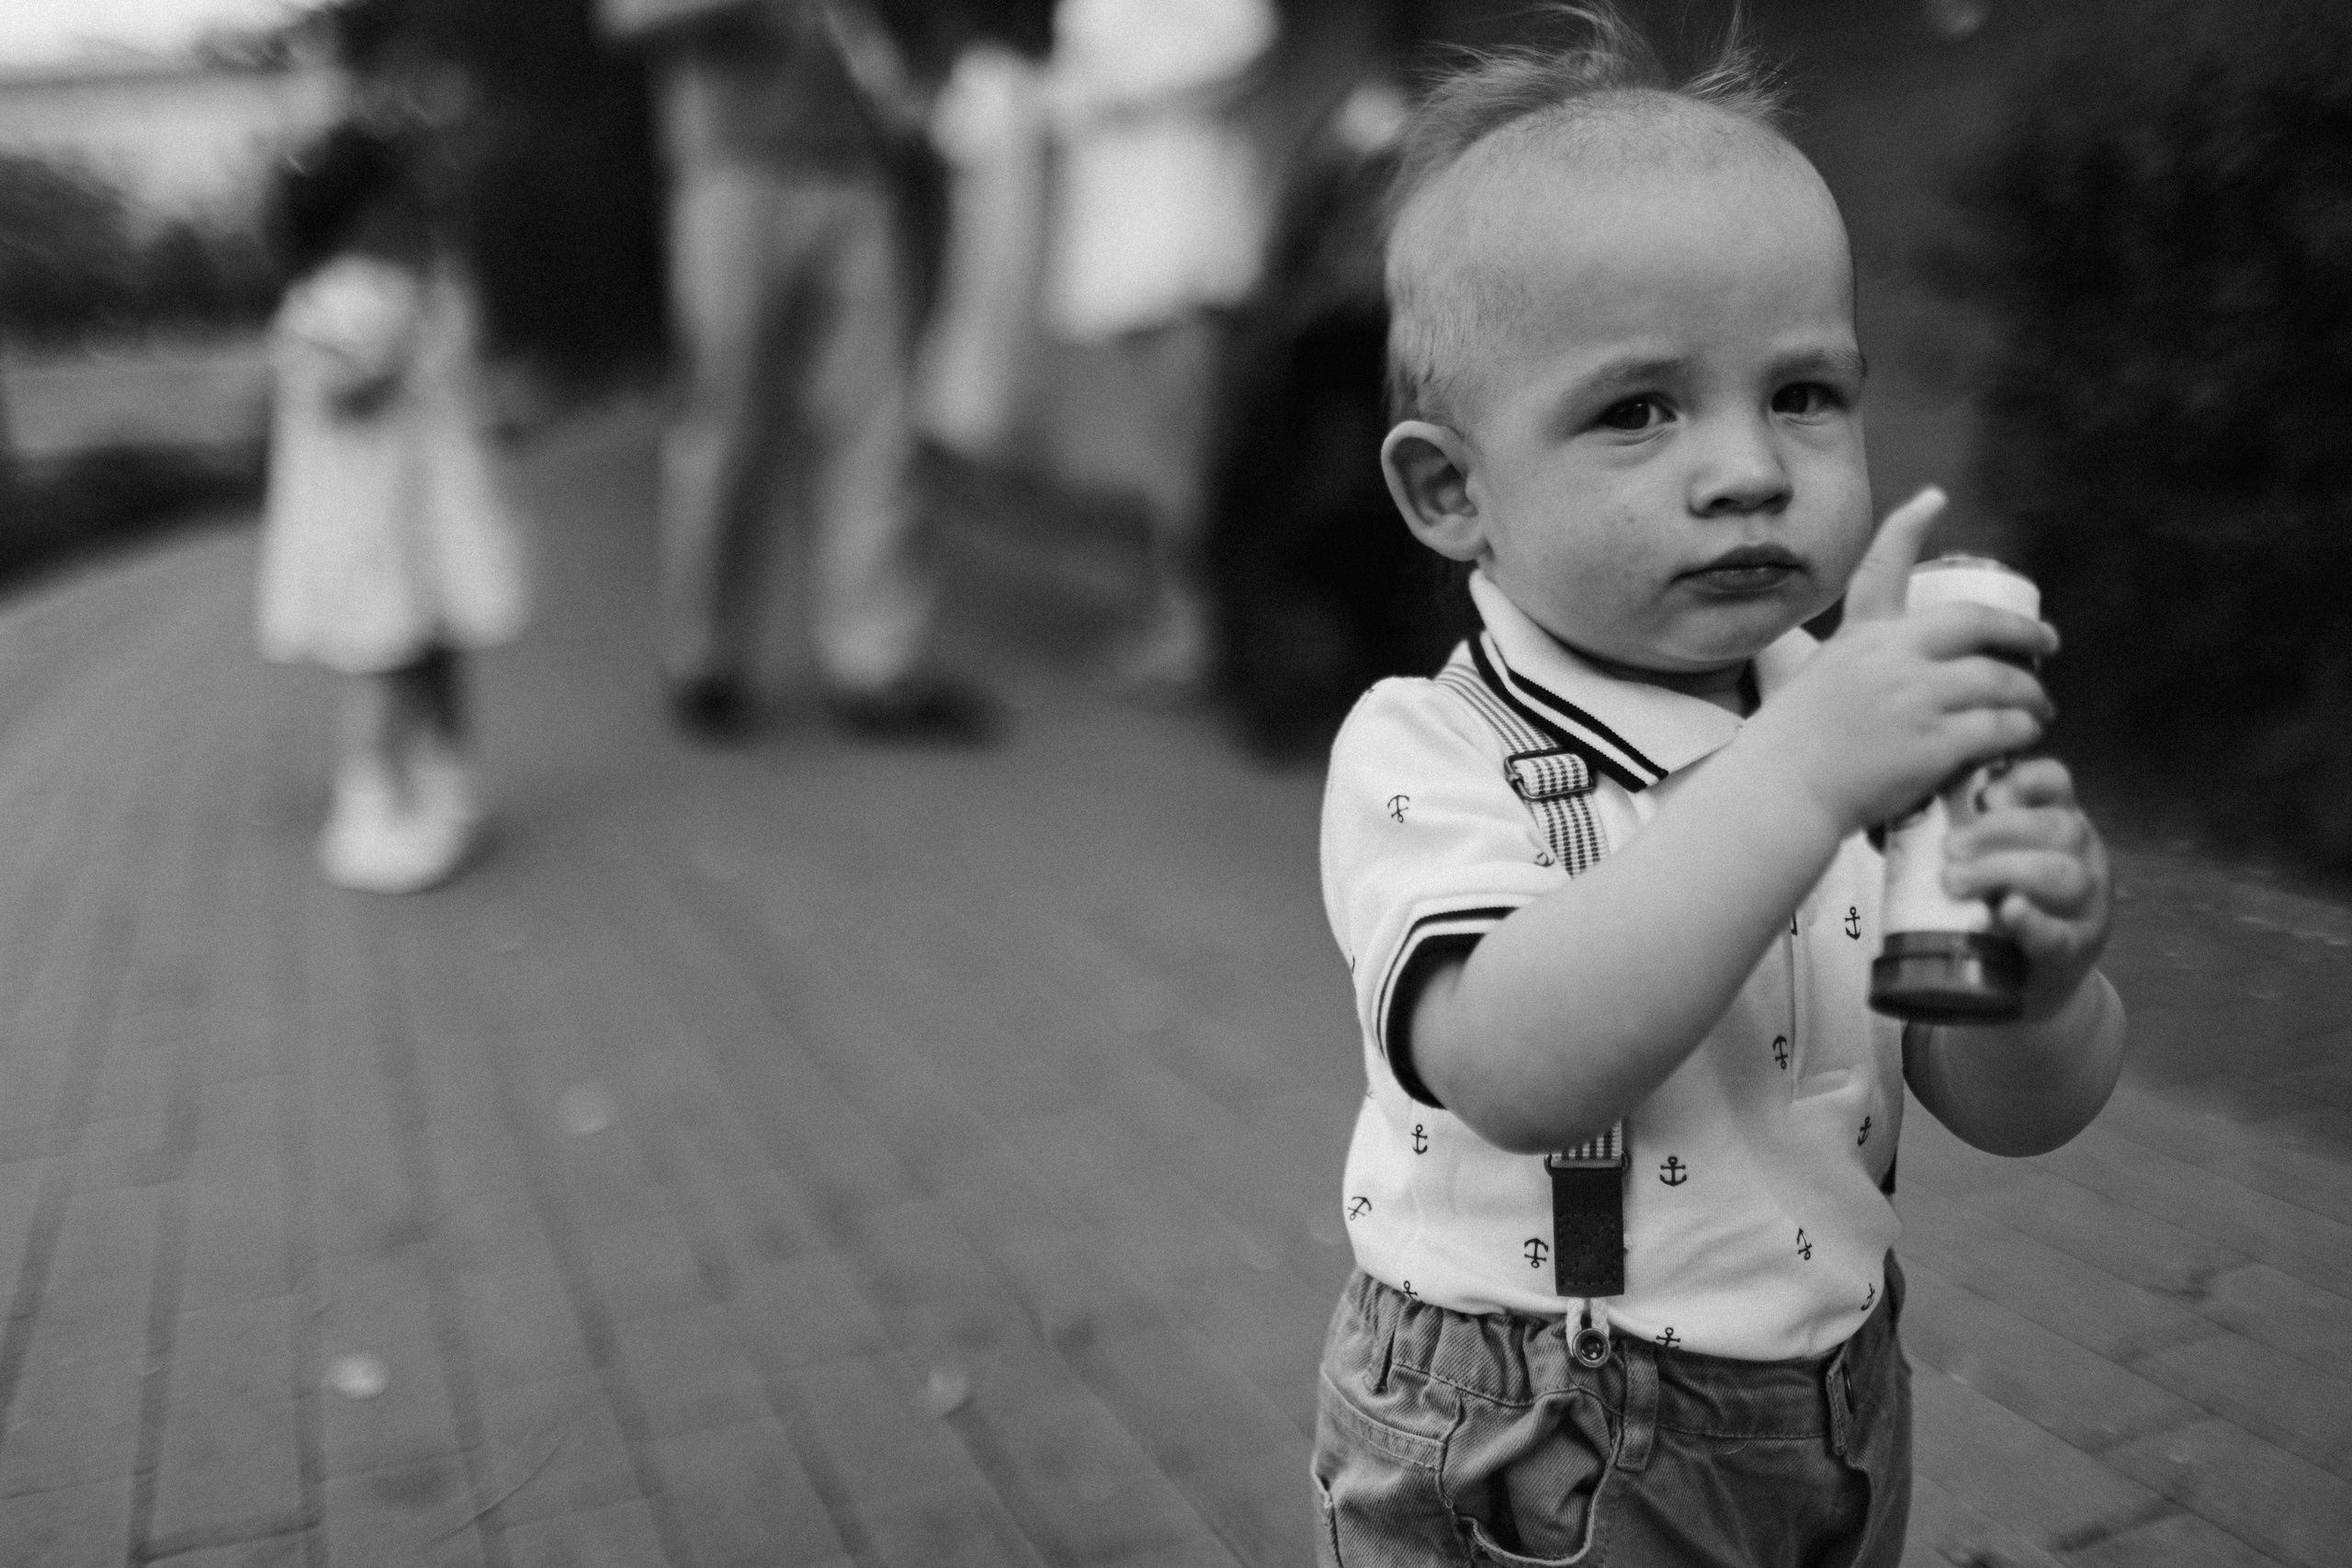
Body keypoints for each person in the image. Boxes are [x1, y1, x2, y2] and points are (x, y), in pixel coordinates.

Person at [1312, 8, 2126, 1564]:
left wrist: (2042, 978)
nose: (1751, 467)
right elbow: (1516, 1062)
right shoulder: (1433, 748)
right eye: (1639, 409)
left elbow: (2015, 1111)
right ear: (1449, 490)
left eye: (1805, 394)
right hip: (1544, 1433)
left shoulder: (1853, 720)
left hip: (1838, 1399)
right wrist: (1806, 775)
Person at [601, 0, 992, 743]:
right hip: (733, 172)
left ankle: (878, 664)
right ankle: (704, 658)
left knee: (878, 422)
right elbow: (627, 19)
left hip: (854, 170)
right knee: (726, 422)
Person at [256, 125, 529, 894]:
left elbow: (466, 381)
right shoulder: (321, 303)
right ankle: (368, 804)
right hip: (368, 527)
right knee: (385, 662)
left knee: (441, 649)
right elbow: (339, 394)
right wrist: (400, 333)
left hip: (431, 517)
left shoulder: (427, 288)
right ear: (359, 214)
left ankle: (451, 784)